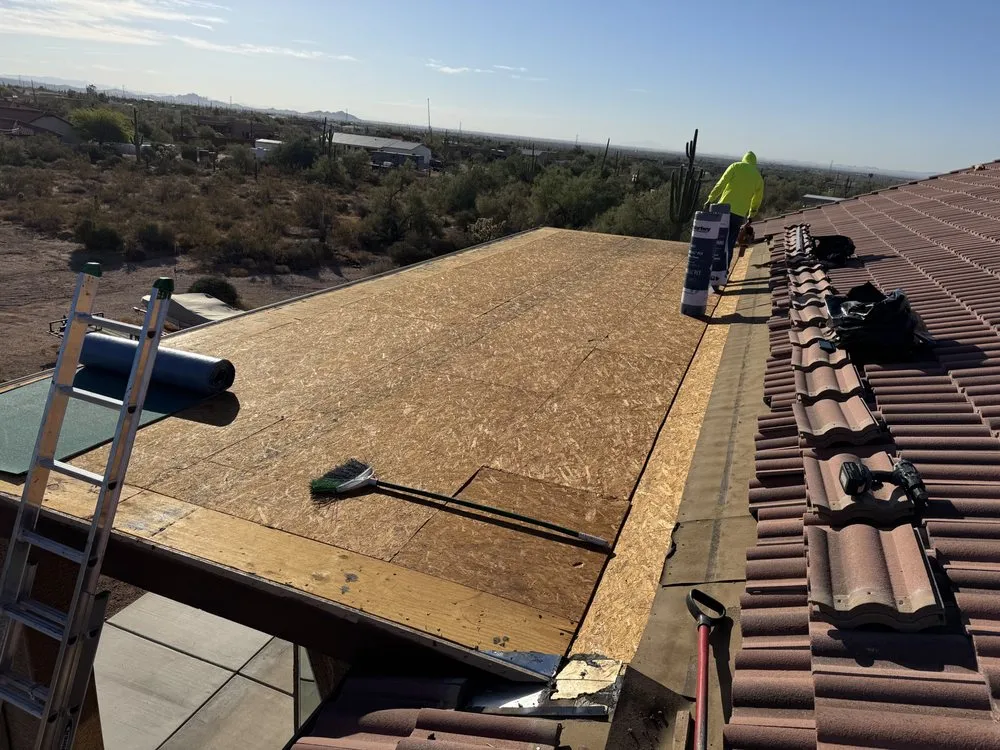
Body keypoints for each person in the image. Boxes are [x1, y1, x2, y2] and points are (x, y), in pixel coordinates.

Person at [705, 151, 764, 261]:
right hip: (739, 214)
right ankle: (724, 272)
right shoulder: (758, 178)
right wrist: (751, 215)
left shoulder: (735, 166)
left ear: (744, 159)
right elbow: (757, 199)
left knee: (716, 239)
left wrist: (710, 199)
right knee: (730, 243)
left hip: (723, 209)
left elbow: (721, 184)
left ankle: (711, 269)